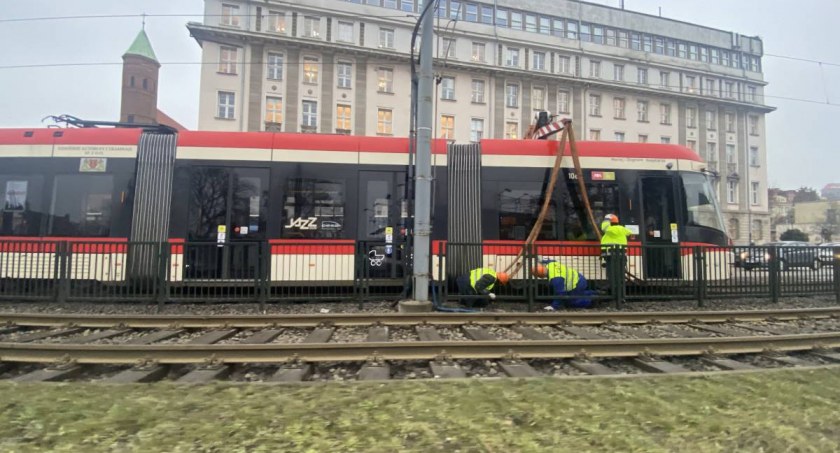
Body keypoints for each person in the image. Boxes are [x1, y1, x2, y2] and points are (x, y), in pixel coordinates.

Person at [600, 214, 633, 288]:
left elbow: (604, 228)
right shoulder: (622, 229)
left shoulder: (611, 230)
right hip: (621, 255)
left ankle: (613, 292)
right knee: (620, 274)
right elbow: (629, 232)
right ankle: (621, 294)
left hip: (612, 255)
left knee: (612, 274)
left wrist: (606, 219)